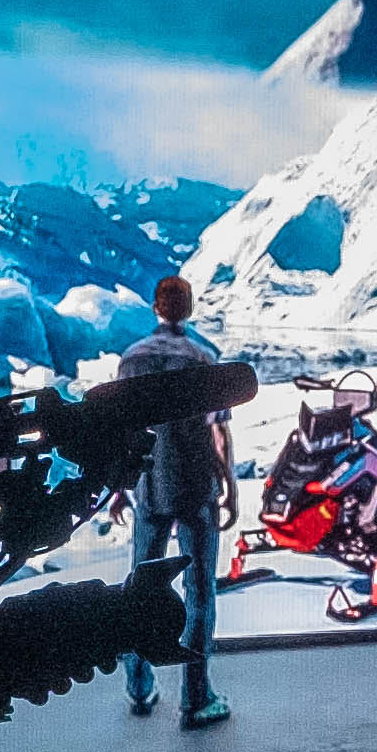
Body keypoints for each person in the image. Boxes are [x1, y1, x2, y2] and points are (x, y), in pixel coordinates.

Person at [108, 274, 233, 728]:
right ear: (189, 308)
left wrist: (118, 486)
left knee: (142, 584)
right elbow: (218, 431)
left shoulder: (131, 360)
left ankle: (139, 688)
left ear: (155, 307)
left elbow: (121, 429)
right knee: (200, 589)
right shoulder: (203, 359)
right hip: (197, 486)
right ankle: (196, 698)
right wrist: (231, 485)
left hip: (148, 486)